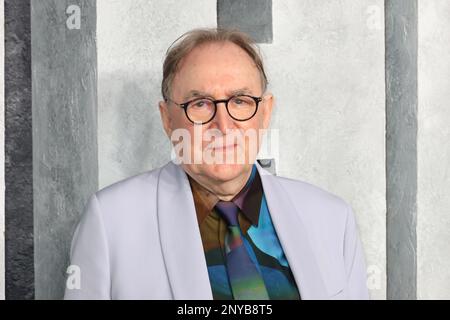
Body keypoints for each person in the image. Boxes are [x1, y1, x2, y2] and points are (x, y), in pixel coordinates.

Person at [64, 28, 369, 300]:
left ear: (265, 113)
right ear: (167, 119)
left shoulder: (332, 218)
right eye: (200, 104)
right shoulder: (110, 222)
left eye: (240, 101)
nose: (223, 126)